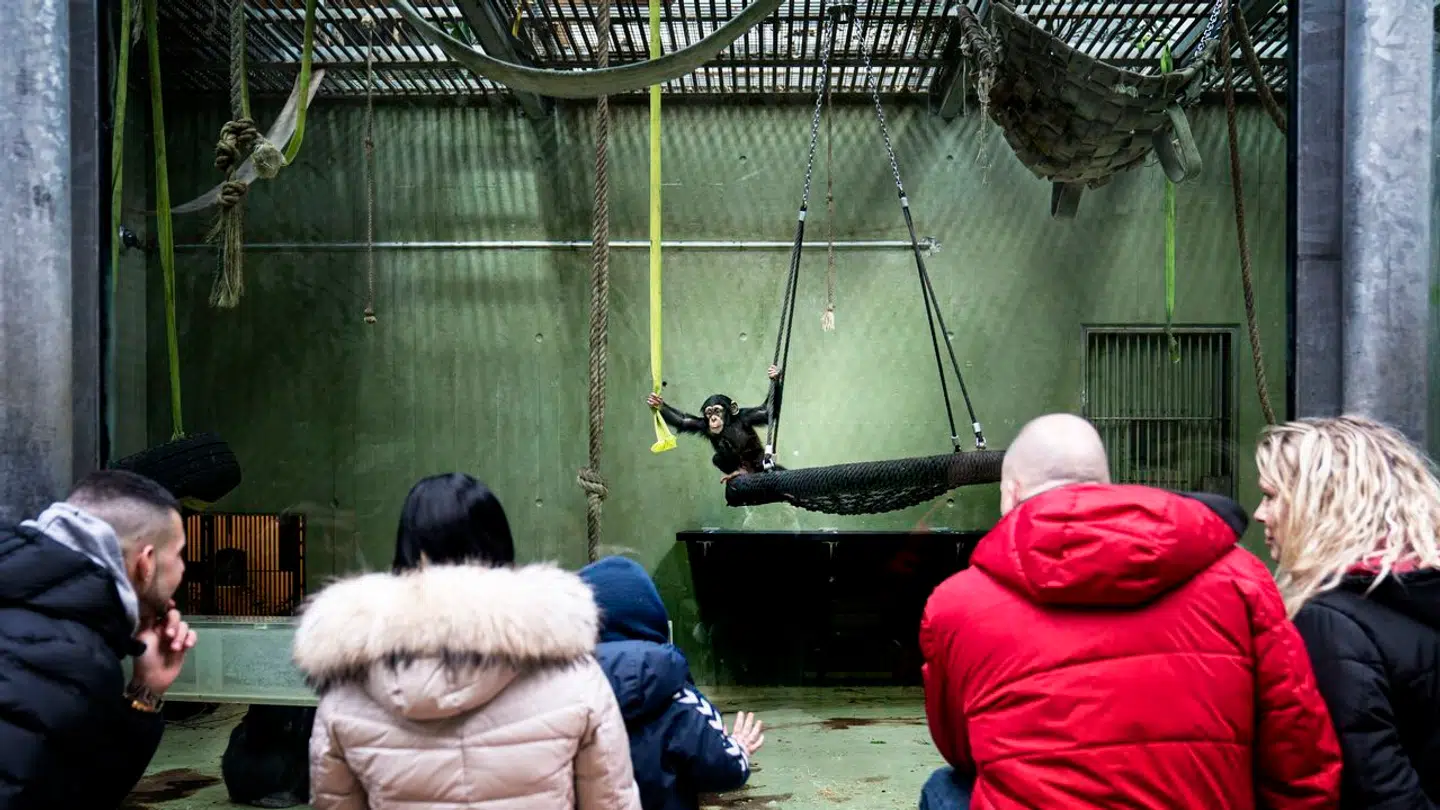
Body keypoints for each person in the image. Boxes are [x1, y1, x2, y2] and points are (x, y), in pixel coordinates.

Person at [918, 413, 1342, 810]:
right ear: (1105, 486)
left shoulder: (956, 604)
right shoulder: (1239, 577)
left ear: (1010, 493)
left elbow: (961, 747)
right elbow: (1298, 752)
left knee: (946, 787)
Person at [296, 473, 642, 810]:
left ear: (406, 551)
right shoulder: (575, 678)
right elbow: (610, 800)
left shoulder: (346, 694)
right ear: (502, 546)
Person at [1255, 415, 1440, 809]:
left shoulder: (1329, 622)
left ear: (1321, 503)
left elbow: (1373, 789)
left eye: (1272, 497)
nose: (1259, 514)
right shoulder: (1421, 594)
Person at [0, 469, 197, 809]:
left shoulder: (52, 624)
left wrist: (145, 692)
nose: (183, 568)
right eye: (179, 554)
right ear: (146, 564)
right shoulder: (74, 659)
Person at [578, 556, 764, 810]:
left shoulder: (553, 693)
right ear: (654, 619)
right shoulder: (678, 698)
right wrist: (738, 747)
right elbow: (723, 769)